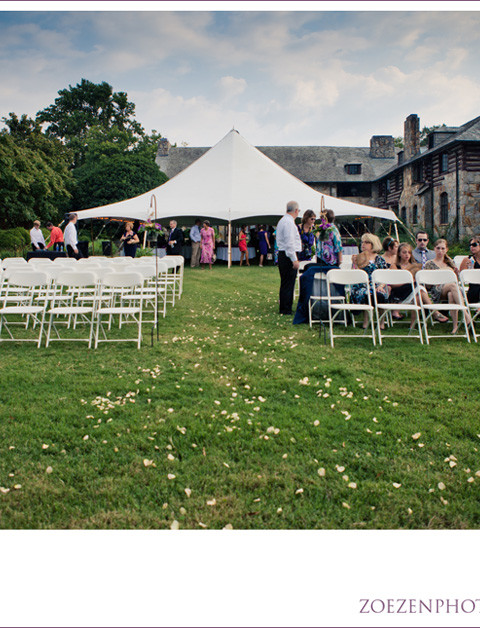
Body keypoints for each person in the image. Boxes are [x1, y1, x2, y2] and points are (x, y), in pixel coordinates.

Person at [393, 242, 448, 326]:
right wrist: (408, 281)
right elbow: (392, 284)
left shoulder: (414, 266)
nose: (407, 255)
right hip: (399, 293)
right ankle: (434, 313)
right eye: (404, 252)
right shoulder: (395, 266)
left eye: (409, 252)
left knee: (419, 294)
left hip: (413, 291)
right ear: (399, 254)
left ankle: (413, 325)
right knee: (419, 289)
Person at [424, 238, 471, 334]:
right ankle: (467, 316)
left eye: (442, 248)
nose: (440, 251)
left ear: (446, 250)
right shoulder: (429, 264)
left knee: (451, 294)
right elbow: (427, 285)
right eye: (438, 248)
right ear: (434, 249)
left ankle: (455, 327)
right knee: (453, 286)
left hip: (451, 289)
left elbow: (456, 280)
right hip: (437, 290)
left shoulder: (450, 262)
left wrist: (456, 274)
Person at [351, 233, 389, 328]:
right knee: (367, 293)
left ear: (373, 244)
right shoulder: (359, 258)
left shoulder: (380, 259)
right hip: (362, 286)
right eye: (362, 242)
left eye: (367, 242)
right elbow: (354, 275)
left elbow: (385, 276)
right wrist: (354, 264)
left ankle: (381, 322)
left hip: (377, 286)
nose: (363, 244)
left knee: (380, 294)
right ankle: (366, 321)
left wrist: (381, 286)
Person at [276, 201, 301, 315]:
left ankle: (285, 306)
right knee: (288, 283)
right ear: (295, 210)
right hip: (287, 255)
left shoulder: (284, 220)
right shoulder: (288, 222)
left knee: (286, 282)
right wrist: (294, 259)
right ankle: (286, 308)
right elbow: (289, 243)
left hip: (284, 254)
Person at [459, 235, 480, 304]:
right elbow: (461, 278)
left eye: (474, 245)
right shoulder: (467, 260)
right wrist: (469, 270)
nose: (471, 247)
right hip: (474, 290)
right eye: (470, 245)